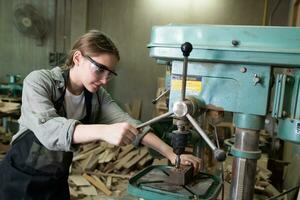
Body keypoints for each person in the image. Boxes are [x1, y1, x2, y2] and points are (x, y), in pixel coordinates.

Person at [0, 30, 201, 200]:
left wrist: (171, 153)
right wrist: (103, 131)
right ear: (77, 58)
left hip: (55, 180)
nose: (104, 80)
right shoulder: (39, 82)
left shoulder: (96, 97)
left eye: (109, 74)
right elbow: (49, 130)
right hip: (19, 179)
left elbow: (128, 123)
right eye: (99, 69)